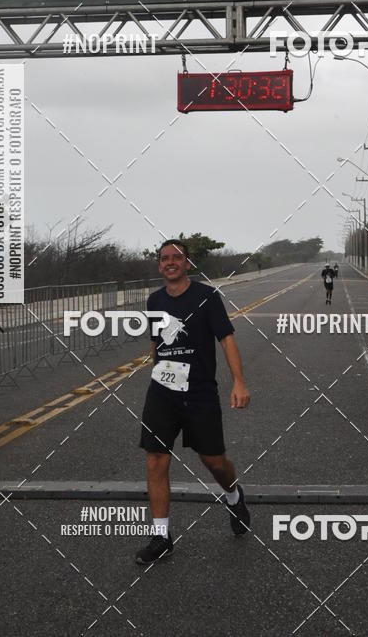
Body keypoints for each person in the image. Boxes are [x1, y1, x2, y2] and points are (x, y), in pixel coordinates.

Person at [136, 239, 251, 565]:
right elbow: (157, 343)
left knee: (213, 461)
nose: (170, 262)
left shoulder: (207, 297)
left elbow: (226, 340)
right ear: (160, 266)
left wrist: (239, 382)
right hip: (162, 390)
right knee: (155, 460)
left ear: (187, 263)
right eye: (164, 258)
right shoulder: (154, 300)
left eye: (177, 257)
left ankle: (233, 495)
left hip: (199, 390)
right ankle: (161, 536)